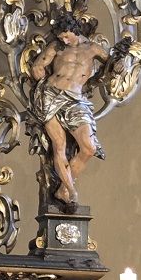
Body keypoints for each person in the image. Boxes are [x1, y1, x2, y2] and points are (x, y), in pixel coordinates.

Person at [29, 10, 109, 204]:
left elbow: (112, 66)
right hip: (51, 97)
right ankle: (71, 192)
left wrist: (120, 64)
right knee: (59, 145)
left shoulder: (93, 48)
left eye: (66, 36)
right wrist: (45, 87)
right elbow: (38, 67)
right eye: (60, 37)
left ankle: (63, 189)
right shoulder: (56, 46)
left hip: (75, 99)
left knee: (89, 148)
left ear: (75, 30)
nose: (63, 40)